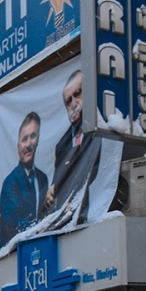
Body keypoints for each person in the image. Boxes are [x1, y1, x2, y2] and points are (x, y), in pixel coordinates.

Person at [47, 69, 101, 223]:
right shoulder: (62, 145)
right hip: (70, 222)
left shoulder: (103, 125)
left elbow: (99, 171)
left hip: (95, 215)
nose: (73, 104)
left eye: (77, 94)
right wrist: (54, 189)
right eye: (68, 101)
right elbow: (62, 179)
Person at [0, 112, 50, 246]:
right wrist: (39, 229)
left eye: (32, 137)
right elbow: (12, 221)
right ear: (18, 146)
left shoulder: (42, 178)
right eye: (24, 139)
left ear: (38, 139)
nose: (28, 144)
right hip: (13, 258)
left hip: (40, 247)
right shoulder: (10, 182)